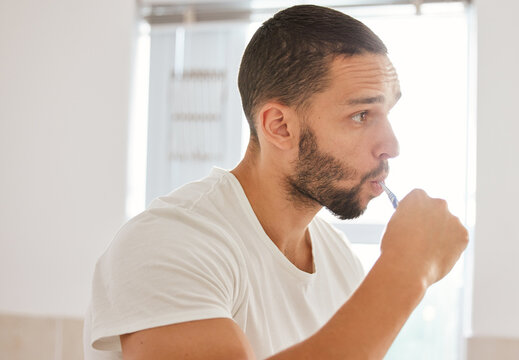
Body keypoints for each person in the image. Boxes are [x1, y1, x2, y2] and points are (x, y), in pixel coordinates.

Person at [83, 4, 468, 360]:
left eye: (387, 113)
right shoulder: (167, 244)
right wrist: (407, 270)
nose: (391, 146)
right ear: (280, 127)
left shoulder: (338, 259)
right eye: (360, 115)